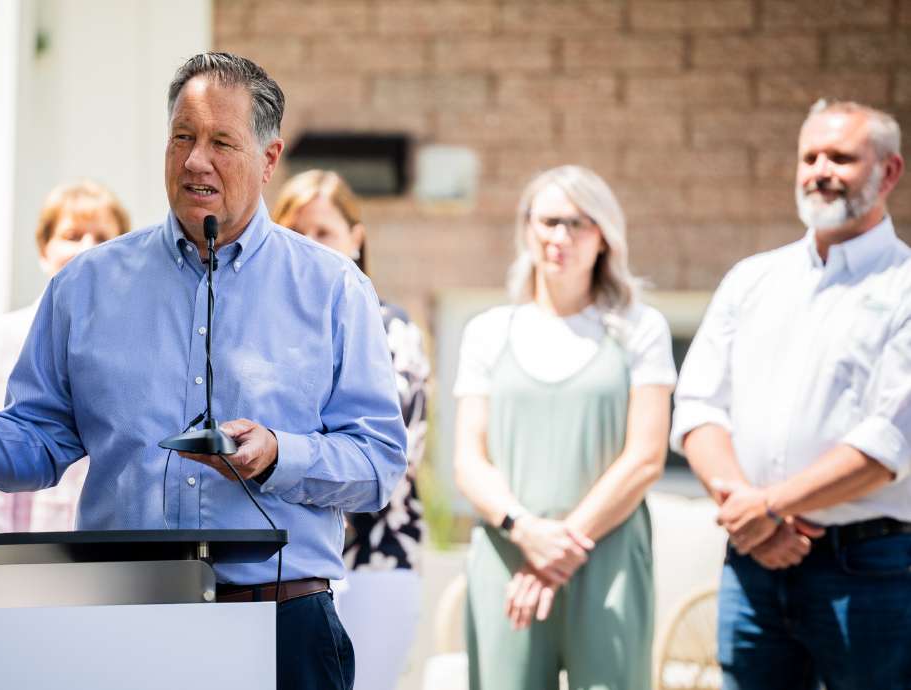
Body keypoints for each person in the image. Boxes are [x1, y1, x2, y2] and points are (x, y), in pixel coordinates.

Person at [0, 52, 406, 690]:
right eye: (182, 138)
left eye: (221, 143)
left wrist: (280, 455)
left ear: (269, 159)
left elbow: (378, 464)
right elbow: (37, 445)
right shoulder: (85, 287)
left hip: (281, 630)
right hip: (123, 628)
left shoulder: (333, 289)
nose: (195, 161)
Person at [672, 99, 910, 689]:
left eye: (841, 158)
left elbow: (889, 442)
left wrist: (767, 507)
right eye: (810, 157)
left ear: (889, 172)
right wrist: (752, 516)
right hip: (752, 563)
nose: (820, 171)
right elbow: (699, 406)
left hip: (868, 572)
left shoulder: (904, 287)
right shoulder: (752, 279)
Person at [453, 165, 675, 690]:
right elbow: (468, 460)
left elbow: (645, 458)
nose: (561, 236)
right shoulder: (488, 332)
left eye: (579, 223)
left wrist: (560, 549)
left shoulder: (641, 329)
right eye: (549, 221)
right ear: (527, 228)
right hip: (508, 554)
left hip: (609, 556)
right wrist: (526, 532)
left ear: (605, 236)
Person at [273, 169, 429, 690]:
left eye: (324, 231)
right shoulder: (270, 331)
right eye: (297, 232)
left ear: (356, 238)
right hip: (286, 564)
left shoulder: (392, 329)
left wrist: (291, 457)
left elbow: (395, 452)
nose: (311, 244)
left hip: (375, 558)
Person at [0, 181, 130, 533]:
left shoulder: (132, 344)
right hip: (34, 554)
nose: (87, 248)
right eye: (72, 235)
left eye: (102, 237)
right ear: (44, 248)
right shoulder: (2, 339)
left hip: (114, 553)